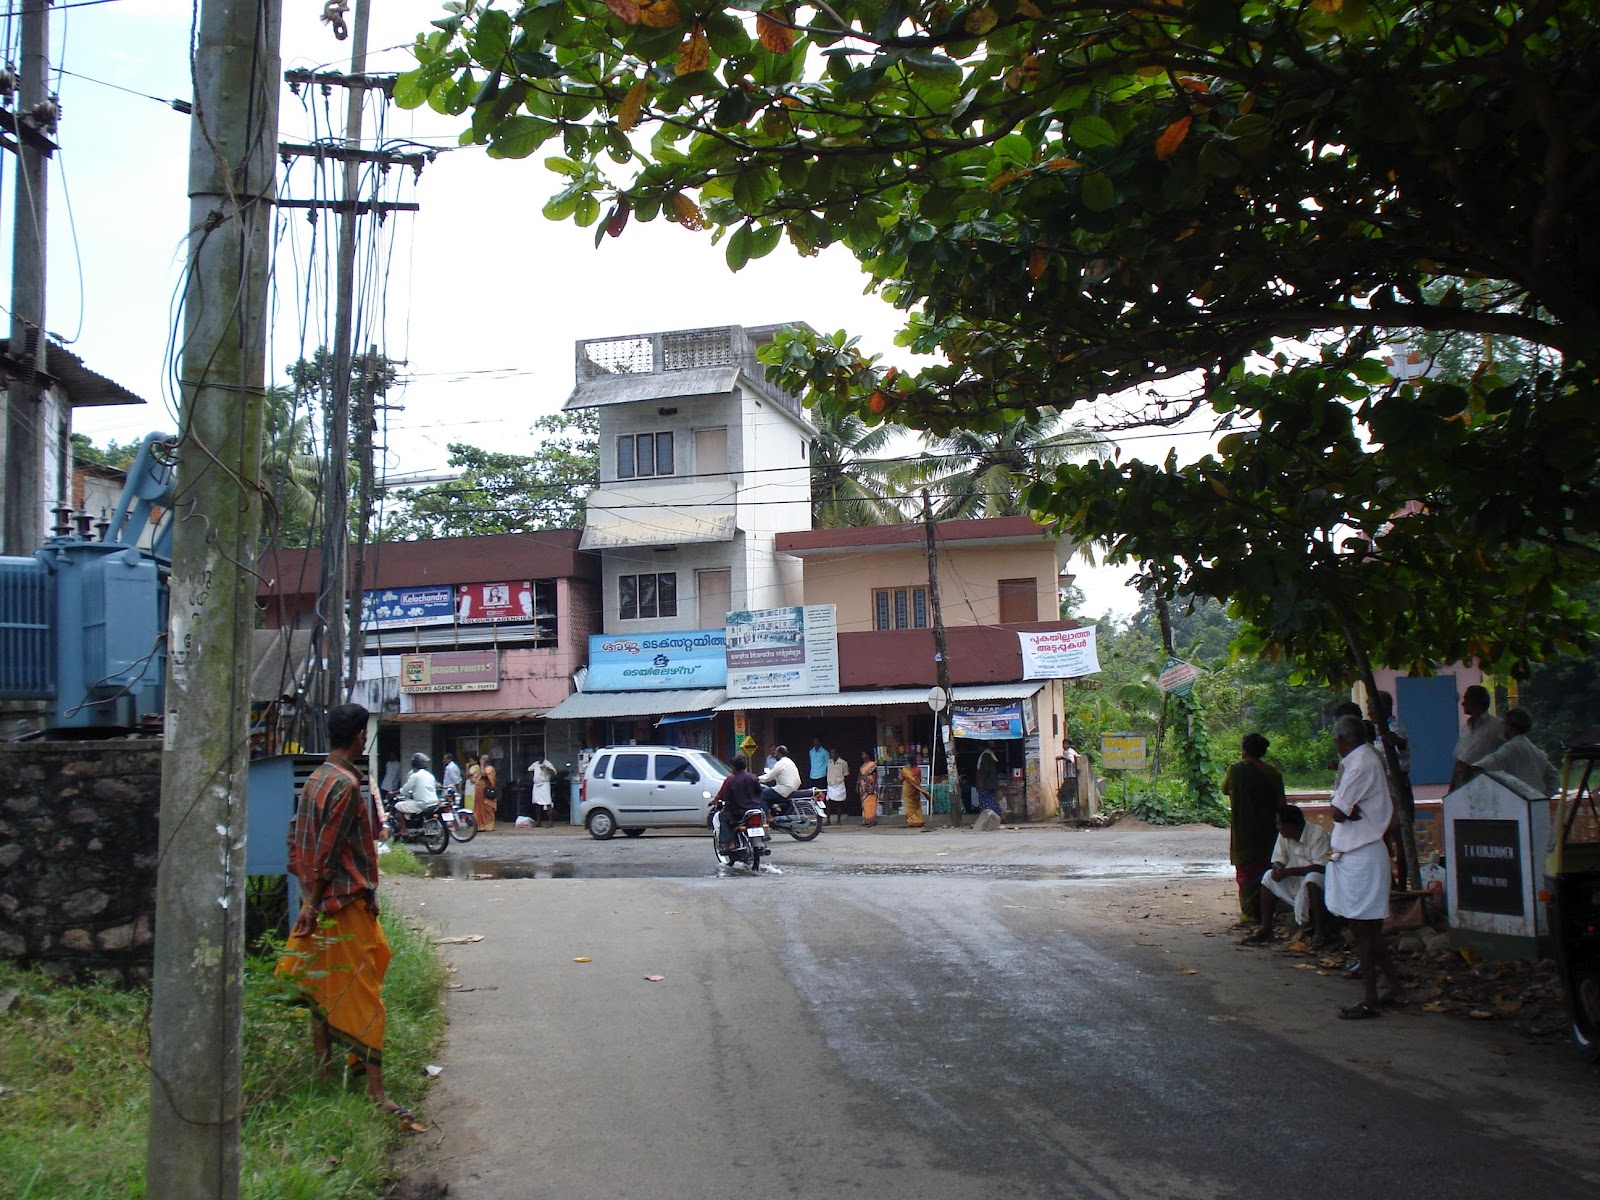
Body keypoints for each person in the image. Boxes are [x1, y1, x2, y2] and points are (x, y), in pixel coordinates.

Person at [275, 703, 412, 1120]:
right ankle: (375, 1092)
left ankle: (323, 1073)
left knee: (324, 988)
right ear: (357, 737)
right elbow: (330, 849)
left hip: (319, 901)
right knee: (363, 993)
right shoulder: (347, 786)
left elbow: (295, 839)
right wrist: (314, 902)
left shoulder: (316, 779)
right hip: (343, 902)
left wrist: (308, 899)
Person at [1325, 713, 1402, 1020]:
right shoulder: (1366, 757)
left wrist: (1345, 807)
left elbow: (1337, 811)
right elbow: (1343, 810)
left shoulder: (1359, 763)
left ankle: (1371, 997)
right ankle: (1394, 987)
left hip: (1362, 853)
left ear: (1340, 740)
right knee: (1368, 928)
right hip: (1361, 851)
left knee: (1363, 929)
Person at [1243, 804, 1331, 948]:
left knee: (1312, 878)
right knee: (1267, 877)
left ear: (1291, 825)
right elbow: (1278, 859)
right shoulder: (1284, 836)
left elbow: (1321, 867)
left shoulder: (1317, 834)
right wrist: (1277, 869)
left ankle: (1319, 931)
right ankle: (1266, 928)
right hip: (1296, 881)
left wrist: (1288, 872)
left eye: (1280, 823)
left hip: (1318, 883)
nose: (1278, 827)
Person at [1222, 733, 1286, 925]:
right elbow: (1282, 802)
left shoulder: (1236, 770)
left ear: (1244, 750)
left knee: (1246, 873)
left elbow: (1225, 789)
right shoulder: (1273, 773)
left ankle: (1250, 914)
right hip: (1269, 831)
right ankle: (1267, 912)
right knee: (1266, 869)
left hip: (1244, 830)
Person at [1472, 707, 1561, 796]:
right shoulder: (1535, 750)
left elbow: (1487, 764)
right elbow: (1553, 776)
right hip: (1535, 802)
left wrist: (1469, 770)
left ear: (1510, 727)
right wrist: (1544, 796)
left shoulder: (1511, 748)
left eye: (1504, 724)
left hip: (1518, 801)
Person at [1451, 684, 1504, 790]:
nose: (1463, 704)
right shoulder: (1466, 728)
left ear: (1477, 702)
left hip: (1488, 784)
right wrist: (1452, 787)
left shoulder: (1497, 726)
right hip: (1464, 784)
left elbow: (1506, 756)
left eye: (1466, 699)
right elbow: (1459, 760)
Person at [713, 754, 767, 853]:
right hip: (754, 809)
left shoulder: (731, 780)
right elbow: (759, 792)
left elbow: (727, 797)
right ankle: (763, 840)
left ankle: (729, 843)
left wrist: (724, 808)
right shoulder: (753, 777)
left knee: (723, 817)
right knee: (762, 818)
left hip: (738, 812)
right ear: (745, 766)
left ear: (733, 767)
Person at [393, 752, 438, 830]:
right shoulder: (429, 775)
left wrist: (393, 793)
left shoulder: (415, 775)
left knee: (398, 806)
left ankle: (404, 830)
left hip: (422, 804)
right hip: (434, 802)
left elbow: (405, 790)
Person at [758, 745, 800, 809]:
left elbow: (769, 776)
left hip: (784, 788)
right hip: (793, 787)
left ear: (780, 753)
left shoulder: (780, 763)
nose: (775, 755)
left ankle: (768, 816)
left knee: (762, 794)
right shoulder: (790, 761)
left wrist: (757, 779)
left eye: (776, 753)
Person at [901, 753, 929, 828]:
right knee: (916, 806)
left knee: (909, 805)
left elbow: (902, 779)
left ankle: (911, 822)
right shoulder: (917, 769)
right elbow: (918, 780)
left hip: (907, 789)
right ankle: (918, 821)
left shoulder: (905, 769)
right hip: (915, 789)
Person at [528, 755, 558, 827]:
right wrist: (532, 778)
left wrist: (546, 768)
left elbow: (554, 773)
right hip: (537, 785)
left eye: (541, 757)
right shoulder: (535, 764)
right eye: (538, 757)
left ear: (543, 757)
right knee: (537, 804)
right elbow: (529, 770)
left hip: (544, 785)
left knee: (548, 803)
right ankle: (539, 821)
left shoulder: (548, 764)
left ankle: (550, 822)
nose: (539, 759)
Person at [975, 745, 1002, 818]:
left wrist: (981, 781)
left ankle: (989, 817)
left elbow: (985, 770)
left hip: (987, 783)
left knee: (986, 801)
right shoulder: (989, 754)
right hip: (991, 782)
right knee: (991, 799)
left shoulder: (986, 755)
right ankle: (994, 816)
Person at [825, 749, 848, 825]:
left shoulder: (843, 763)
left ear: (837, 754)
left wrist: (840, 780)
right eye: (831, 753)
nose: (832, 755)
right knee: (828, 803)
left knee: (839, 803)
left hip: (839, 785)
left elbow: (846, 774)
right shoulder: (829, 762)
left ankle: (838, 820)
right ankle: (828, 820)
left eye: (833, 753)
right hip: (830, 785)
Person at [477, 757, 499, 832]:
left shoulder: (489, 768)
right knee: (479, 809)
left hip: (486, 791)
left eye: (481, 760)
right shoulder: (482, 768)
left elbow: (484, 775)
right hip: (479, 792)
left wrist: (482, 765)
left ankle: (489, 826)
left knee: (487, 808)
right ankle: (481, 826)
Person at [859, 750, 880, 827]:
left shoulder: (872, 765)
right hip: (863, 787)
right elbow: (860, 776)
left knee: (871, 803)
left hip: (870, 785)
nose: (862, 756)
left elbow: (874, 775)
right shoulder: (863, 765)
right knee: (864, 803)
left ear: (867, 755)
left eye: (863, 754)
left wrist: (873, 786)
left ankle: (872, 820)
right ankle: (865, 819)